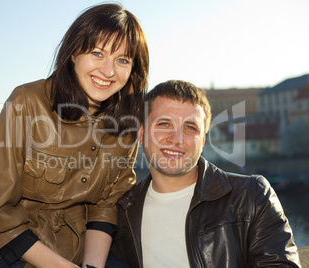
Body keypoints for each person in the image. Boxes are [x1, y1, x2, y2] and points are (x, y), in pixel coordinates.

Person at [0, 3, 149, 268]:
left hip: (86, 250)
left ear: (133, 69)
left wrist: (91, 267)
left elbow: (106, 204)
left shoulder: (126, 123)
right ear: (73, 53)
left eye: (122, 60)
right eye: (98, 53)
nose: (108, 71)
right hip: (21, 252)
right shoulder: (27, 102)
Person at [111, 80, 301, 267]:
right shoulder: (122, 209)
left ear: (202, 141)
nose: (176, 139)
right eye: (164, 124)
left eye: (190, 127)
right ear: (141, 134)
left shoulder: (251, 196)